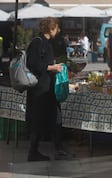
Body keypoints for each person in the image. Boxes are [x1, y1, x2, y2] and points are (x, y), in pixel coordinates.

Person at [25, 17, 73, 161]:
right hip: (40, 90)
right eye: (56, 28)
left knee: (55, 118)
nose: (57, 31)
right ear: (51, 28)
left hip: (47, 88)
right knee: (40, 120)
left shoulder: (46, 43)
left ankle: (58, 149)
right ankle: (34, 152)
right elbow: (33, 64)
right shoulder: (38, 42)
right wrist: (52, 67)